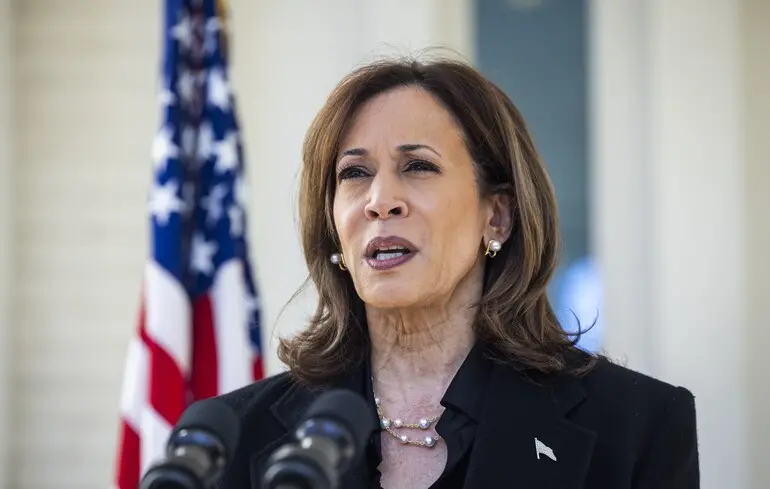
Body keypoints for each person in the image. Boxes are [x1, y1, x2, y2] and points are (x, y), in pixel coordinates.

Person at [214, 57, 699, 489]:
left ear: (498, 217)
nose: (380, 201)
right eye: (354, 173)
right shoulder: (232, 436)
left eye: (417, 166)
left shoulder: (637, 427)